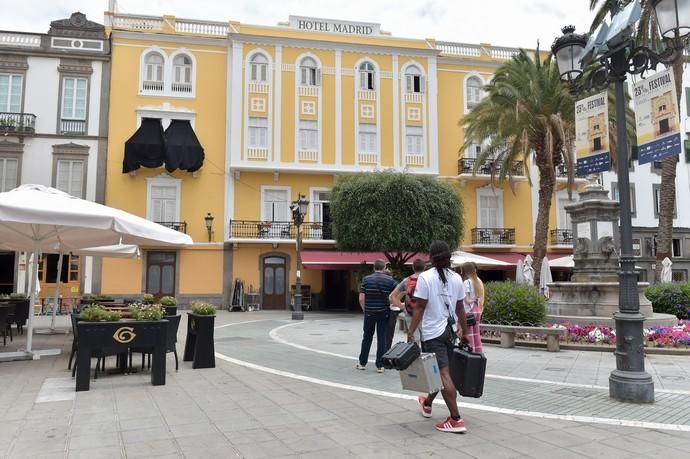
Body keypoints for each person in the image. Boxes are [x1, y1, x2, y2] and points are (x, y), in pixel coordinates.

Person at [407, 240, 469, 433]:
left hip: (433, 332)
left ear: (431, 258)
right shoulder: (457, 278)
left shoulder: (425, 278)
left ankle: (455, 419)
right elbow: (460, 308)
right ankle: (427, 402)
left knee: (441, 374)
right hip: (450, 332)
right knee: (441, 371)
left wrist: (411, 331)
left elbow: (420, 307)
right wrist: (464, 331)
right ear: (449, 257)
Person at [357, 259, 398, 373]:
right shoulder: (389, 280)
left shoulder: (366, 279)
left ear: (374, 267)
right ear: (384, 268)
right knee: (382, 338)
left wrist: (365, 310)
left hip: (369, 312)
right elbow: (399, 291)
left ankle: (362, 363)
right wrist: (392, 302)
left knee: (367, 337)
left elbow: (361, 298)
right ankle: (380, 365)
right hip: (384, 313)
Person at [389, 258, 426, 343]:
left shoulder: (406, 280)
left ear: (413, 268)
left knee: (413, 339)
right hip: (425, 313)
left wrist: (403, 308)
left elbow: (392, 296)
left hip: (410, 312)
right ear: (424, 267)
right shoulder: (429, 279)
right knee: (427, 341)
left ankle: (415, 354)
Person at [462, 261, 484, 354]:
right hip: (477, 309)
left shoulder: (467, 282)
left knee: (469, 334)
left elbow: (466, 300)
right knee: (476, 333)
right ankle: (478, 351)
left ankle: (471, 352)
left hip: (469, 310)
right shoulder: (479, 281)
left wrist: (472, 300)